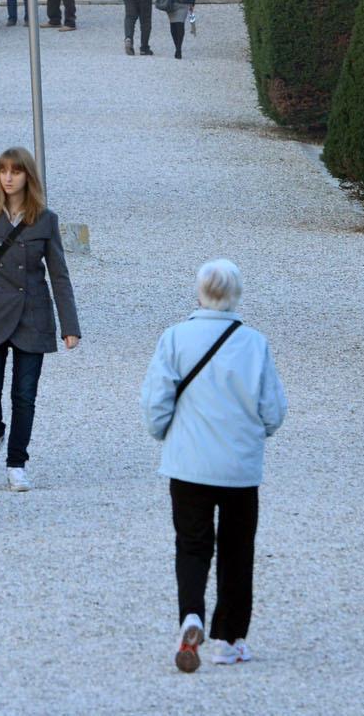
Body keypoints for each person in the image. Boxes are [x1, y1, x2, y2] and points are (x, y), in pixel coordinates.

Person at [140, 259, 286, 672]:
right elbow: (273, 409)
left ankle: (191, 615)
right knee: (237, 550)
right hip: (239, 466)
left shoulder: (174, 338)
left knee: (191, 544)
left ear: (199, 293)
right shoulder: (255, 343)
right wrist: (258, 432)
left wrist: (164, 434)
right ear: (235, 295)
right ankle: (229, 639)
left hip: (188, 464)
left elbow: (155, 403)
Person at [0, 146, 79, 492]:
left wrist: (70, 326)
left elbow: (59, 275)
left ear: (28, 176)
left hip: (31, 314)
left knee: (25, 395)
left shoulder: (46, 219)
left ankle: (17, 463)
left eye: (16, 171)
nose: (8, 178)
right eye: (3, 171)